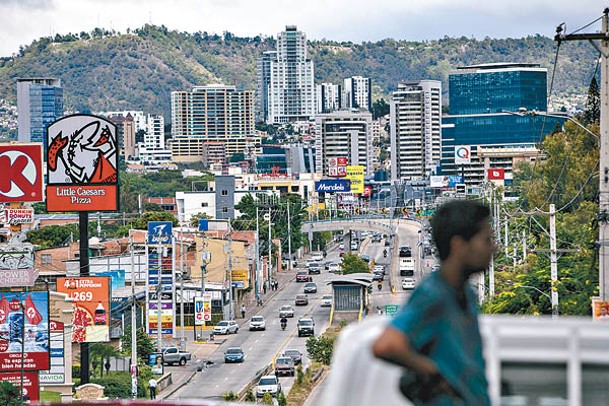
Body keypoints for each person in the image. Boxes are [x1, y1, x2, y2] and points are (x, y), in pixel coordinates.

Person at [372, 200, 495, 405]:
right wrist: (435, 372)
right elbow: (386, 345)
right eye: (486, 241)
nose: (493, 249)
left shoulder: (466, 294)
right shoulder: (434, 295)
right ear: (459, 245)